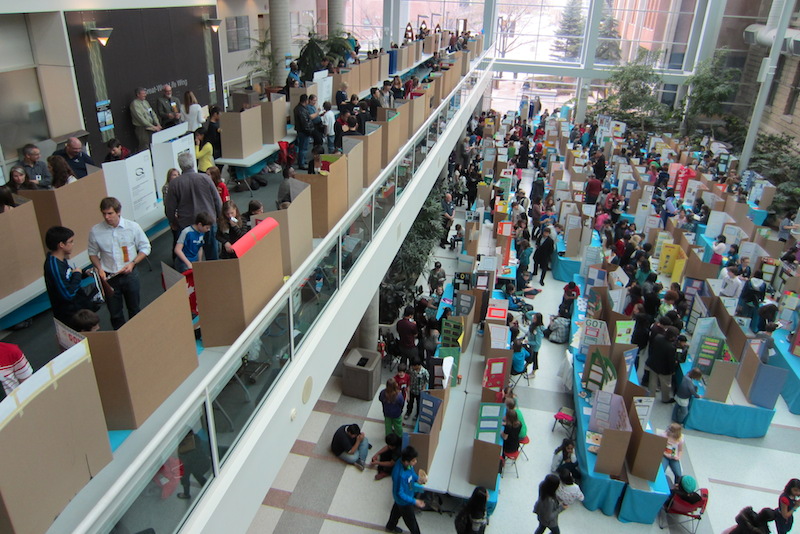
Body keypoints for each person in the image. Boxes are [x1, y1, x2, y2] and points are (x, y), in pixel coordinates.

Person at [88, 197, 152, 330]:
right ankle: (121, 339)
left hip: (130, 275)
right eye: (104, 213)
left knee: (134, 308)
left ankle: (136, 335)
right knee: (115, 313)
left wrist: (133, 263)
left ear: (118, 212)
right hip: (109, 277)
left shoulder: (132, 227)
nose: (107, 217)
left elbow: (146, 247)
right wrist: (99, 268)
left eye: (110, 213)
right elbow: (92, 253)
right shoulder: (96, 231)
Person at [165, 152, 222, 261]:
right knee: (212, 254)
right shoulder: (206, 178)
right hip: (208, 221)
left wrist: (174, 222)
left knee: (190, 258)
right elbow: (217, 200)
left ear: (180, 165)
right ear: (193, 163)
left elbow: (170, 208)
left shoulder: (174, 184)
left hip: (187, 224)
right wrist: (219, 217)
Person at [43, 226, 88, 328]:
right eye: (71, 241)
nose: (73, 244)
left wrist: (83, 273)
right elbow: (68, 294)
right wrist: (77, 275)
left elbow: (68, 277)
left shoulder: (61, 260)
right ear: (61, 245)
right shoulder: (54, 266)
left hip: (77, 310)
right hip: (70, 316)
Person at [385, 446, 425, 534]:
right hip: (404, 500)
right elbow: (401, 494)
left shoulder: (405, 462)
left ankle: (390, 526)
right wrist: (415, 501)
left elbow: (411, 473)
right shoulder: (400, 475)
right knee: (411, 522)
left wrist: (417, 478)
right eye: (413, 460)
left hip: (403, 496)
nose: (415, 462)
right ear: (406, 462)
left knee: (396, 511)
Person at [646, 326, 679, 403]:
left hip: (653, 364)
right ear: (672, 337)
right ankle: (665, 398)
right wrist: (672, 370)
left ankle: (650, 396)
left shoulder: (658, 337)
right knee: (666, 385)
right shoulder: (671, 347)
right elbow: (670, 361)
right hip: (664, 370)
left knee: (652, 382)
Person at [294, 94, 314, 168]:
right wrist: (309, 130)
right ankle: (301, 163)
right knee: (303, 148)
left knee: (302, 148)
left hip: (301, 131)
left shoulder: (297, 108)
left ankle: (302, 161)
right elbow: (305, 123)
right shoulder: (302, 110)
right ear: (306, 101)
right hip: (304, 132)